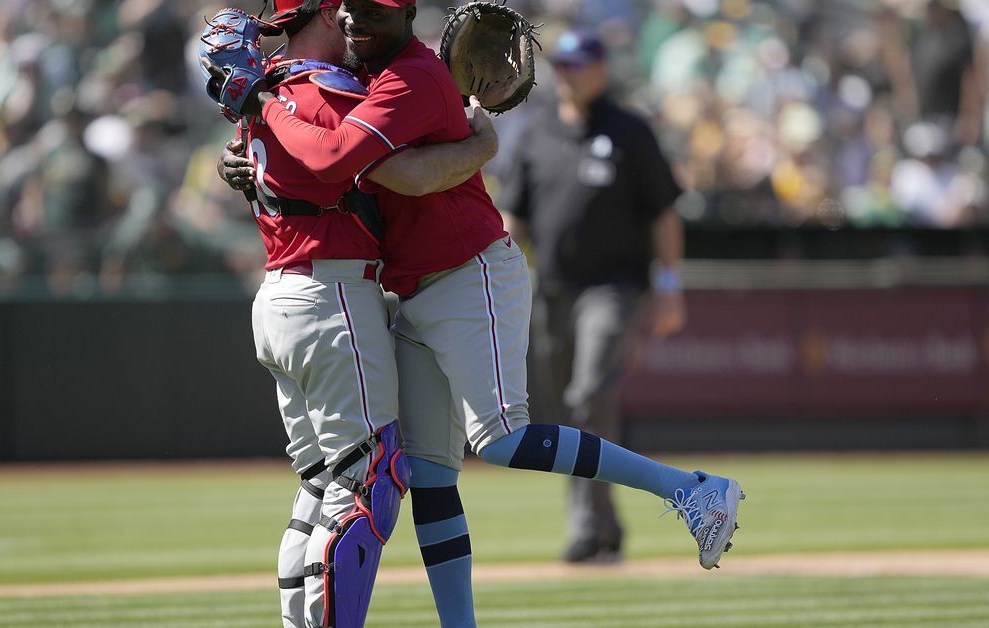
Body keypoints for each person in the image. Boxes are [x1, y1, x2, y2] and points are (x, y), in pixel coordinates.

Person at [229, 2, 744, 625]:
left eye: (373, 12)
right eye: (350, 9)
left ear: (408, 14)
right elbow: (338, 154)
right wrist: (266, 156)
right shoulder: (363, 77)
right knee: (428, 473)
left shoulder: (411, 77)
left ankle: (691, 491)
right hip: (415, 286)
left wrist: (267, 118)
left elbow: (378, 168)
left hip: (469, 271)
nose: (356, 21)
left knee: (502, 438)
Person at [203, 1, 498, 626]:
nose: (348, 18)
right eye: (337, 7)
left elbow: (259, 152)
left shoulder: (274, 90)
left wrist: (253, 103)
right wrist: (481, 144)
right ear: (313, 14)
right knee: (369, 488)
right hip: (330, 296)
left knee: (317, 493)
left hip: (279, 299)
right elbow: (394, 170)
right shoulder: (318, 92)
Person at [497, 29, 688, 564]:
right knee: (569, 415)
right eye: (562, 64)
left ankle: (585, 524)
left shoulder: (629, 130)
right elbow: (516, 217)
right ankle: (606, 524)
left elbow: (664, 213)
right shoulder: (534, 133)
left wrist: (669, 286)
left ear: (602, 69)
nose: (569, 73)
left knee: (587, 395)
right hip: (552, 289)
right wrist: (501, 276)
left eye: (579, 64)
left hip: (614, 288)